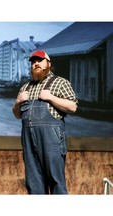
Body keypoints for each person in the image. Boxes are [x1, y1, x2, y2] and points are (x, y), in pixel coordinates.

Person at [12, 50, 78, 194]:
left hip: (51, 140)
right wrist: (18, 102)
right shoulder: (25, 87)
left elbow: (73, 106)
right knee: (34, 183)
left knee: (55, 182)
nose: (35, 64)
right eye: (33, 62)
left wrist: (51, 97)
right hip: (29, 140)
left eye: (39, 61)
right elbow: (17, 115)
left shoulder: (60, 82)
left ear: (49, 64)